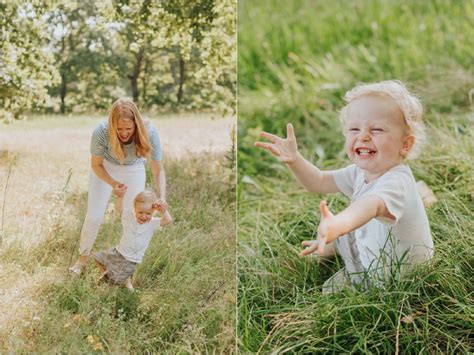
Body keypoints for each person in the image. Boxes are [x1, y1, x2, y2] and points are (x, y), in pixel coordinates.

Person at [255, 80, 434, 292]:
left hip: (396, 278)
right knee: (348, 230)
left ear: (405, 144)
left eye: (376, 129)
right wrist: (295, 160)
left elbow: (370, 206)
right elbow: (319, 181)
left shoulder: (396, 182)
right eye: (354, 129)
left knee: (330, 291)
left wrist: (337, 224)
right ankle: (334, 242)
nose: (363, 136)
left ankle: (335, 241)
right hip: (374, 248)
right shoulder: (359, 172)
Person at [69, 98, 167, 276]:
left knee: (132, 218)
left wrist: (162, 197)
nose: (123, 133)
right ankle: (82, 259)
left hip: (134, 168)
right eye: (119, 129)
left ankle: (123, 265)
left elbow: (158, 169)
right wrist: (113, 184)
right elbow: (96, 165)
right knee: (94, 217)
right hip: (106, 168)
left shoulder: (149, 131)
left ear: (136, 124)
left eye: (128, 129)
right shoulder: (101, 131)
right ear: (111, 124)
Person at [94, 190, 172, 290]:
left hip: (131, 259)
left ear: (154, 212)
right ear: (134, 209)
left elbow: (168, 220)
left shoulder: (152, 223)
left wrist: (163, 211)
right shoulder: (129, 217)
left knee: (114, 282)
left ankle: (120, 282)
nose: (144, 216)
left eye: (148, 213)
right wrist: (120, 197)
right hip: (118, 252)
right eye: (140, 212)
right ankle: (108, 274)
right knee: (97, 258)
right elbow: (119, 208)